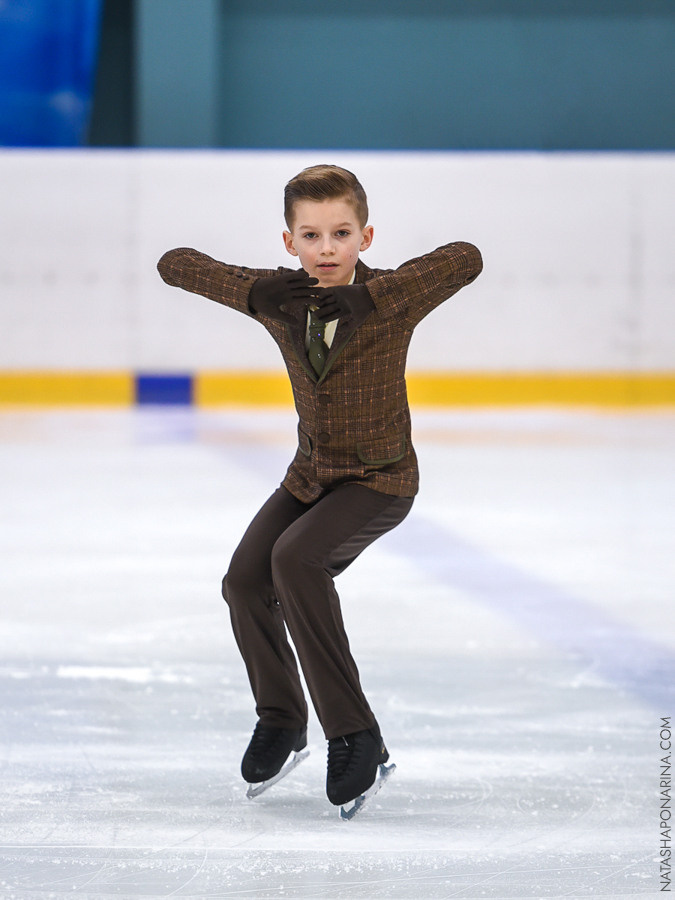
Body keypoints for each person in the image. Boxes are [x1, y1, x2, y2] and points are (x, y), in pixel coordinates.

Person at [157, 164, 482, 810]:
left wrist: (371, 298)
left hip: (379, 479)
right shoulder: (282, 295)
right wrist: (257, 295)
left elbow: (465, 258)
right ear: (290, 243)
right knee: (244, 580)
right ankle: (281, 717)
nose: (326, 249)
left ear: (365, 235)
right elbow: (174, 263)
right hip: (309, 477)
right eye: (311, 235)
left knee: (295, 560)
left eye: (340, 233)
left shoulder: (392, 294)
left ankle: (356, 733)